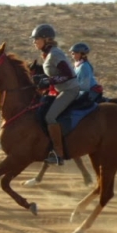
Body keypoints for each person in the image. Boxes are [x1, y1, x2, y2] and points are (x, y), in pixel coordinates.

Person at [31, 23, 79, 166]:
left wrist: (48, 80)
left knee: (50, 116)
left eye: (36, 38)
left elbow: (68, 74)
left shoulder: (55, 54)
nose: (34, 41)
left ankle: (58, 153)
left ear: (46, 39)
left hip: (69, 90)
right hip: (61, 90)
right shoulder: (49, 54)